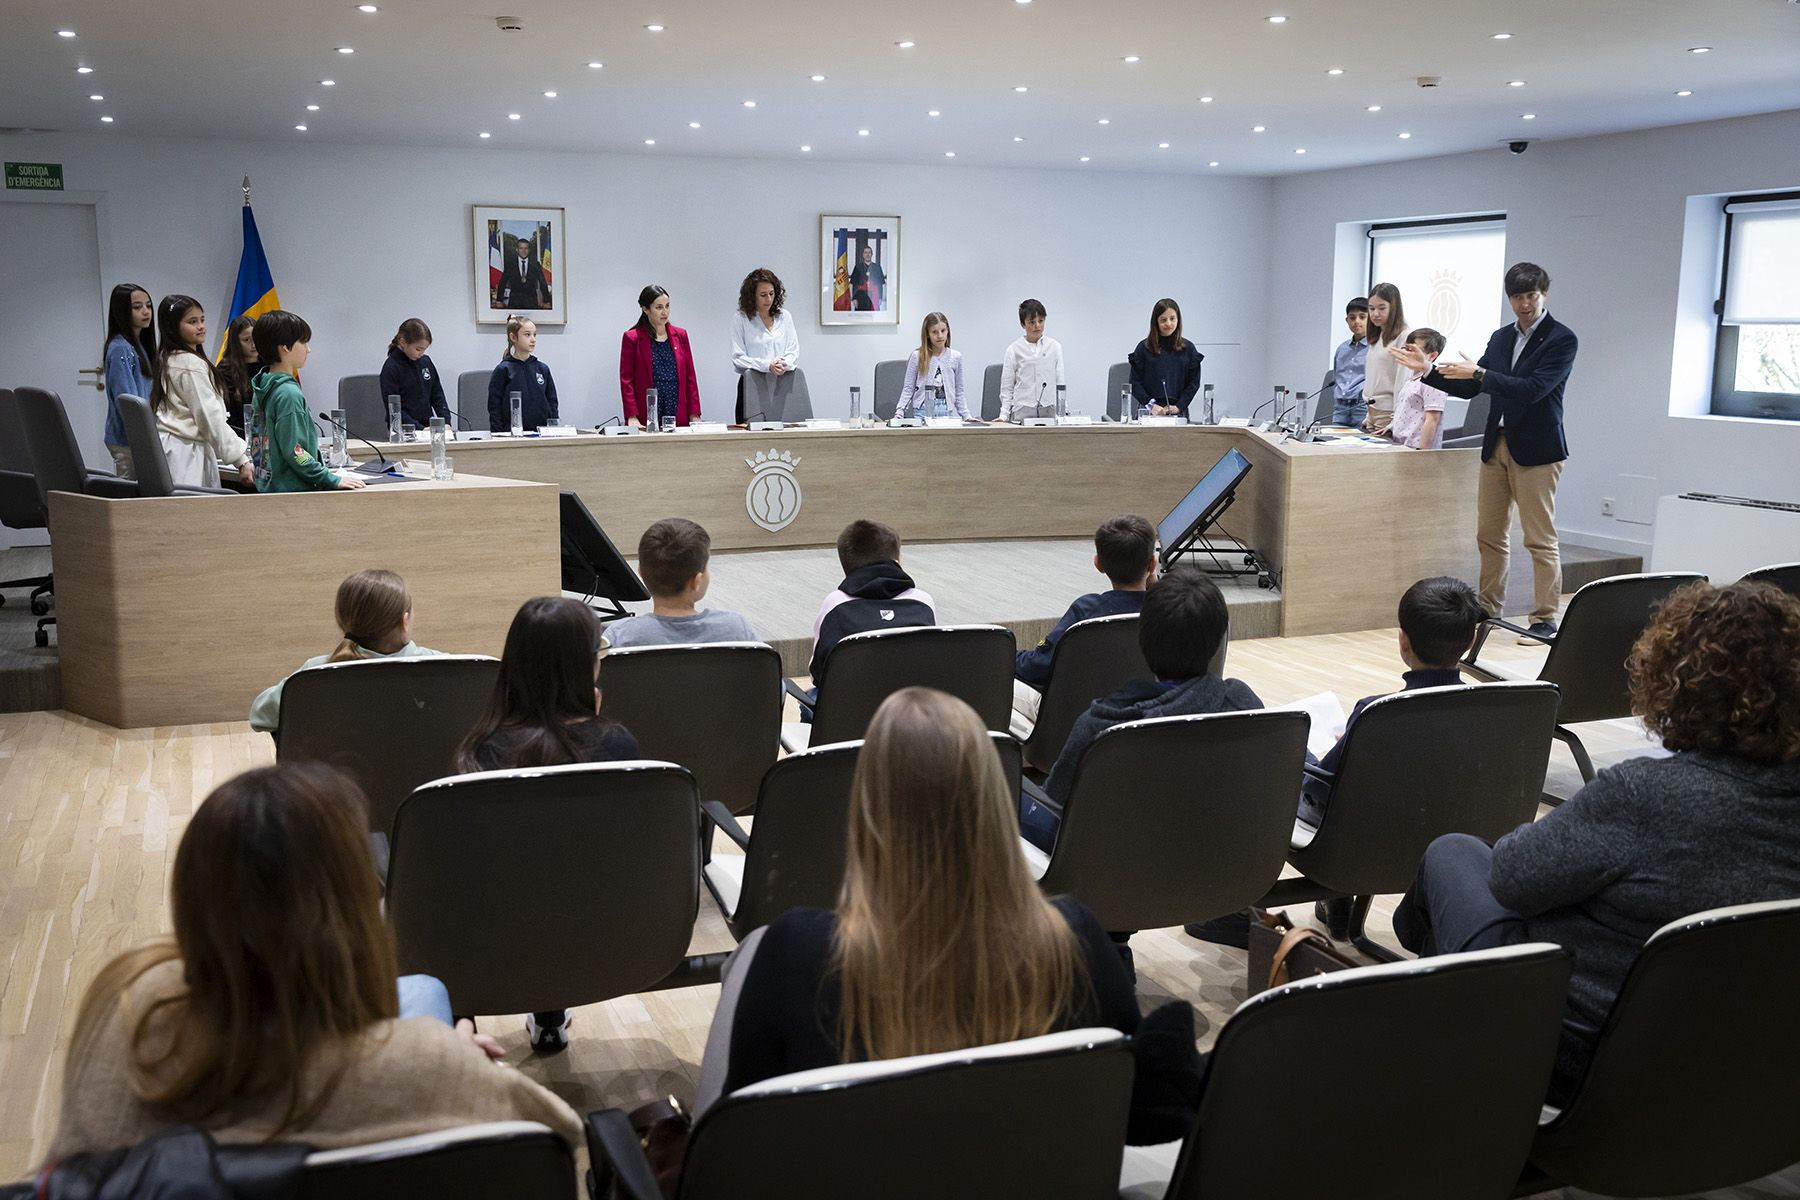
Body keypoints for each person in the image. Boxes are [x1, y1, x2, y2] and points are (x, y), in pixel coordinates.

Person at [715, 687, 1199, 1142]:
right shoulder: (1074, 937)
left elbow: (742, 1145)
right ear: (992, 799)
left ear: (867, 809)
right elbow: (1134, 1117)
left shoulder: (795, 953)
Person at [1391, 580, 1800, 1104]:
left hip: (1579, 1053)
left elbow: (1513, 876)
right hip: (1735, 1059)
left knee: (1453, 853)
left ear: (1674, 679)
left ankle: (1447, 1064)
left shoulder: (1646, 794)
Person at [44, 762, 581, 1161]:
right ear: (351, 900)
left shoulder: (126, 1018)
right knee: (425, 994)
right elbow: (562, 1138)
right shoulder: (426, 1063)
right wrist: (462, 1060)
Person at [454, 595, 641, 1052]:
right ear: (586, 667)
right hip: (610, 923)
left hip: (501, 930)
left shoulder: (482, 751)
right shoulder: (620, 745)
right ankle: (550, 1014)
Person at [1395, 262, 1576, 640]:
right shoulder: (1500, 338)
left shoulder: (1561, 339)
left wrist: (1479, 373)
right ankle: (1489, 609)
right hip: (1497, 445)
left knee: (1539, 538)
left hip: (1538, 450)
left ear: (1545, 294)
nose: (1524, 304)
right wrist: (1428, 371)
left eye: (1531, 296)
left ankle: (1544, 617)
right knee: (1489, 534)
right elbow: (1471, 386)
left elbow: (1532, 388)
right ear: (1509, 298)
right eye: (1517, 297)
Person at [1025, 567, 1260, 850]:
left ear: (1142, 638)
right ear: (1220, 638)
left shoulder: (1100, 727)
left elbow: (1051, 808)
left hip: (1107, 876)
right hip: (1222, 868)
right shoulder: (1242, 703)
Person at [249, 569, 441, 734]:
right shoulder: (448, 668)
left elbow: (259, 716)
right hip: (428, 778)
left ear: (342, 621)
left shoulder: (313, 675)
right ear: (404, 621)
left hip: (340, 777)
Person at [1013, 514, 1157, 724]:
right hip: (1145, 717)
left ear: (1098, 564)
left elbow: (1035, 668)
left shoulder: (1086, 612)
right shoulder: (1168, 611)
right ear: (1152, 564)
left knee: (992, 675)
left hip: (1076, 720)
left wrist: (1009, 656)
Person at [809, 519, 936, 689]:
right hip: (910, 710)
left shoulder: (834, 604)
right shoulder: (922, 601)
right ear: (898, 561)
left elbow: (818, 673)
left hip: (849, 710)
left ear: (845, 567)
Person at [252, 310, 365, 492]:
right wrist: (330, 479)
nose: (308, 349)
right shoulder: (288, 393)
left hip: (269, 486)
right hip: (294, 492)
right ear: (285, 347)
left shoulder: (264, 385)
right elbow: (295, 452)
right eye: (303, 342)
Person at [604, 517, 759, 648]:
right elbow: (770, 682)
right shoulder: (737, 630)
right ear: (696, 581)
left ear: (640, 572)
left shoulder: (619, 637)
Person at [149, 295, 253, 488]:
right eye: (192, 321)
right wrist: (241, 460)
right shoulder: (190, 364)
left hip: (174, 451)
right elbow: (209, 417)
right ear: (172, 327)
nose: (201, 326)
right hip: (186, 456)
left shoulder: (169, 357)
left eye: (202, 319)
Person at [619, 285, 702, 428]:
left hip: (676, 406)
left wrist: (694, 413)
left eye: (667, 306)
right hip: (648, 409)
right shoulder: (632, 338)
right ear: (646, 309)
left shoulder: (680, 335)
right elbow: (627, 380)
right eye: (659, 307)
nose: (665, 312)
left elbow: (690, 377)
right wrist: (631, 416)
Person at [730, 268, 799, 424]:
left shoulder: (784, 316)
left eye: (771, 293)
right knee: (751, 441)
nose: (768, 299)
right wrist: (767, 365)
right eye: (763, 295)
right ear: (752, 296)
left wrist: (783, 363)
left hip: (782, 383)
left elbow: (793, 350)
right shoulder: (740, 319)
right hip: (752, 385)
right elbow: (738, 358)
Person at [101, 283, 156, 478]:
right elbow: (126, 401)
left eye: (148, 306)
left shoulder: (140, 345)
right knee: (130, 496)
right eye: (137, 307)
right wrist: (145, 437)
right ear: (121, 311)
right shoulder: (120, 348)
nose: (145, 311)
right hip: (128, 438)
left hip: (140, 435)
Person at [1128, 298, 1204, 418]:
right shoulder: (1144, 348)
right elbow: (1135, 382)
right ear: (1156, 322)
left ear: (1178, 320)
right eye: (1163, 320)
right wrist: (1151, 405)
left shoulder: (1188, 349)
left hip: (1178, 412)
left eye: (1172, 319)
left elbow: (1193, 383)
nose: (1168, 324)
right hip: (1149, 412)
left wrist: (1179, 406)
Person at [486, 314, 559, 432]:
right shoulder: (503, 370)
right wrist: (497, 434)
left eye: (534, 335)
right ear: (513, 337)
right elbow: (495, 407)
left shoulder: (543, 369)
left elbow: (552, 402)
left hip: (541, 433)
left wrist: (554, 428)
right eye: (527, 335)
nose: (533, 339)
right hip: (512, 434)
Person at [895, 311, 972, 420]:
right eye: (934, 332)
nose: (940, 335)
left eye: (943, 331)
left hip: (947, 412)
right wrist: (900, 412)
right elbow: (908, 388)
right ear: (927, 334)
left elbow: (959, 391)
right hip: (922, 411)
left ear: (948, 331)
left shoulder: (956, 357)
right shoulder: (917, 356)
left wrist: (966, 416)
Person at [379, 317, 451, 431]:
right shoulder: (391, 368)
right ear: (402, 342)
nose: (421, 354)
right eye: (418, 349)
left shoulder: (426, 362)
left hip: (427, 427)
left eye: (424, 350)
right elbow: (394, 411)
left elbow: (437, 395)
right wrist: (420, 428)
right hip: (403, 431)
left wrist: (446, 421)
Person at [999, 298, 1066, 421]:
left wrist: (1063, 412)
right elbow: (1007, 387)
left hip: (1049, 409)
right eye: (1032, 322)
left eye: (1041, 321)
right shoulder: (1013, 349)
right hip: (1023, 410)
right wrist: (1003, 415)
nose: (1037, 326)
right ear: (1023, 324)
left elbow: (1060, 382)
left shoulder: (1055, 346)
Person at [1359, 282, 1410, 436]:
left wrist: (1396, 420)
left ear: (1394, 308)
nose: (1375, 314)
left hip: (1388, 414)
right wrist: (1368, 415)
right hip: (1370, 413)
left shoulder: (1404, 336)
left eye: (1382, 308)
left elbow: (1403, 381)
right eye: (1371, 308)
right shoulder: (1377, 336)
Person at [1388, 327, 1450, 450]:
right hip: (1400, 445)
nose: (1406, 353)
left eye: (1413, 350)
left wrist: (1422, 453)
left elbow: (1432, 419)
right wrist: (1390, 427)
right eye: (1406, 348)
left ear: (1432, 356)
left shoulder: (1434, 382)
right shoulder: (1412, 378)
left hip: (1416, 449)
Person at [217, 315, 262, 437]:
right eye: (247, 340)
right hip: (237, 436)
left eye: (256, 338)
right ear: (235, 342)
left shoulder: (269, 365)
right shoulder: (225, 370)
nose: (254, 344)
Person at [1330, 297, 1370, 427]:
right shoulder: (1342, 349)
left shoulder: (1376, 348)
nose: (1356, 322)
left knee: (1360, 443)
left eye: (1362, 317)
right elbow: (1336, 376)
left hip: (1362, 405)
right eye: (1352, 318)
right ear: (1347, 320)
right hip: (1340, 405)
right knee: (1335, 443)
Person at [497, 234, 549, 310]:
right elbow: (502, 282)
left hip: (531, 304)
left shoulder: (535, 264)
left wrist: (546, 301)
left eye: (526, 248)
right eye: (521, 248)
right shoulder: (510, 264)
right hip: (514, 304)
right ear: (517, 249)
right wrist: (499, 300)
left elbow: (542, 283)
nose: (523, 251)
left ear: (529, 250)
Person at [848, 243, 887, 311]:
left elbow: (881, 284)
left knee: (874, 318)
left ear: (872, 254)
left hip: (874, 297)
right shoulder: (858, 267)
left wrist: (880, 298)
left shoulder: (877, 267)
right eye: (865, 253)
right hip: (860, 297)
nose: (867, 255)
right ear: (863, 255)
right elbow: (853, 284)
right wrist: (854, 298)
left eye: (869, 253)